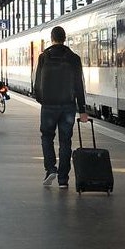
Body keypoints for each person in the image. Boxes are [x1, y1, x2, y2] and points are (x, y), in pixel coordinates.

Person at [33, 25, 89, 189]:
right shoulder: (74, 58)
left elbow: (37, 83)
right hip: (68, 107)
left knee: (46, 137)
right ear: (65, 39)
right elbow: (79, 85)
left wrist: (42, 100)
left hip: (49, 105)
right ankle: (63, 179)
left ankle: (50, 169)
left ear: (52, 38)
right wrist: (83, 110)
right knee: (65, 142)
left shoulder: (44, 57)